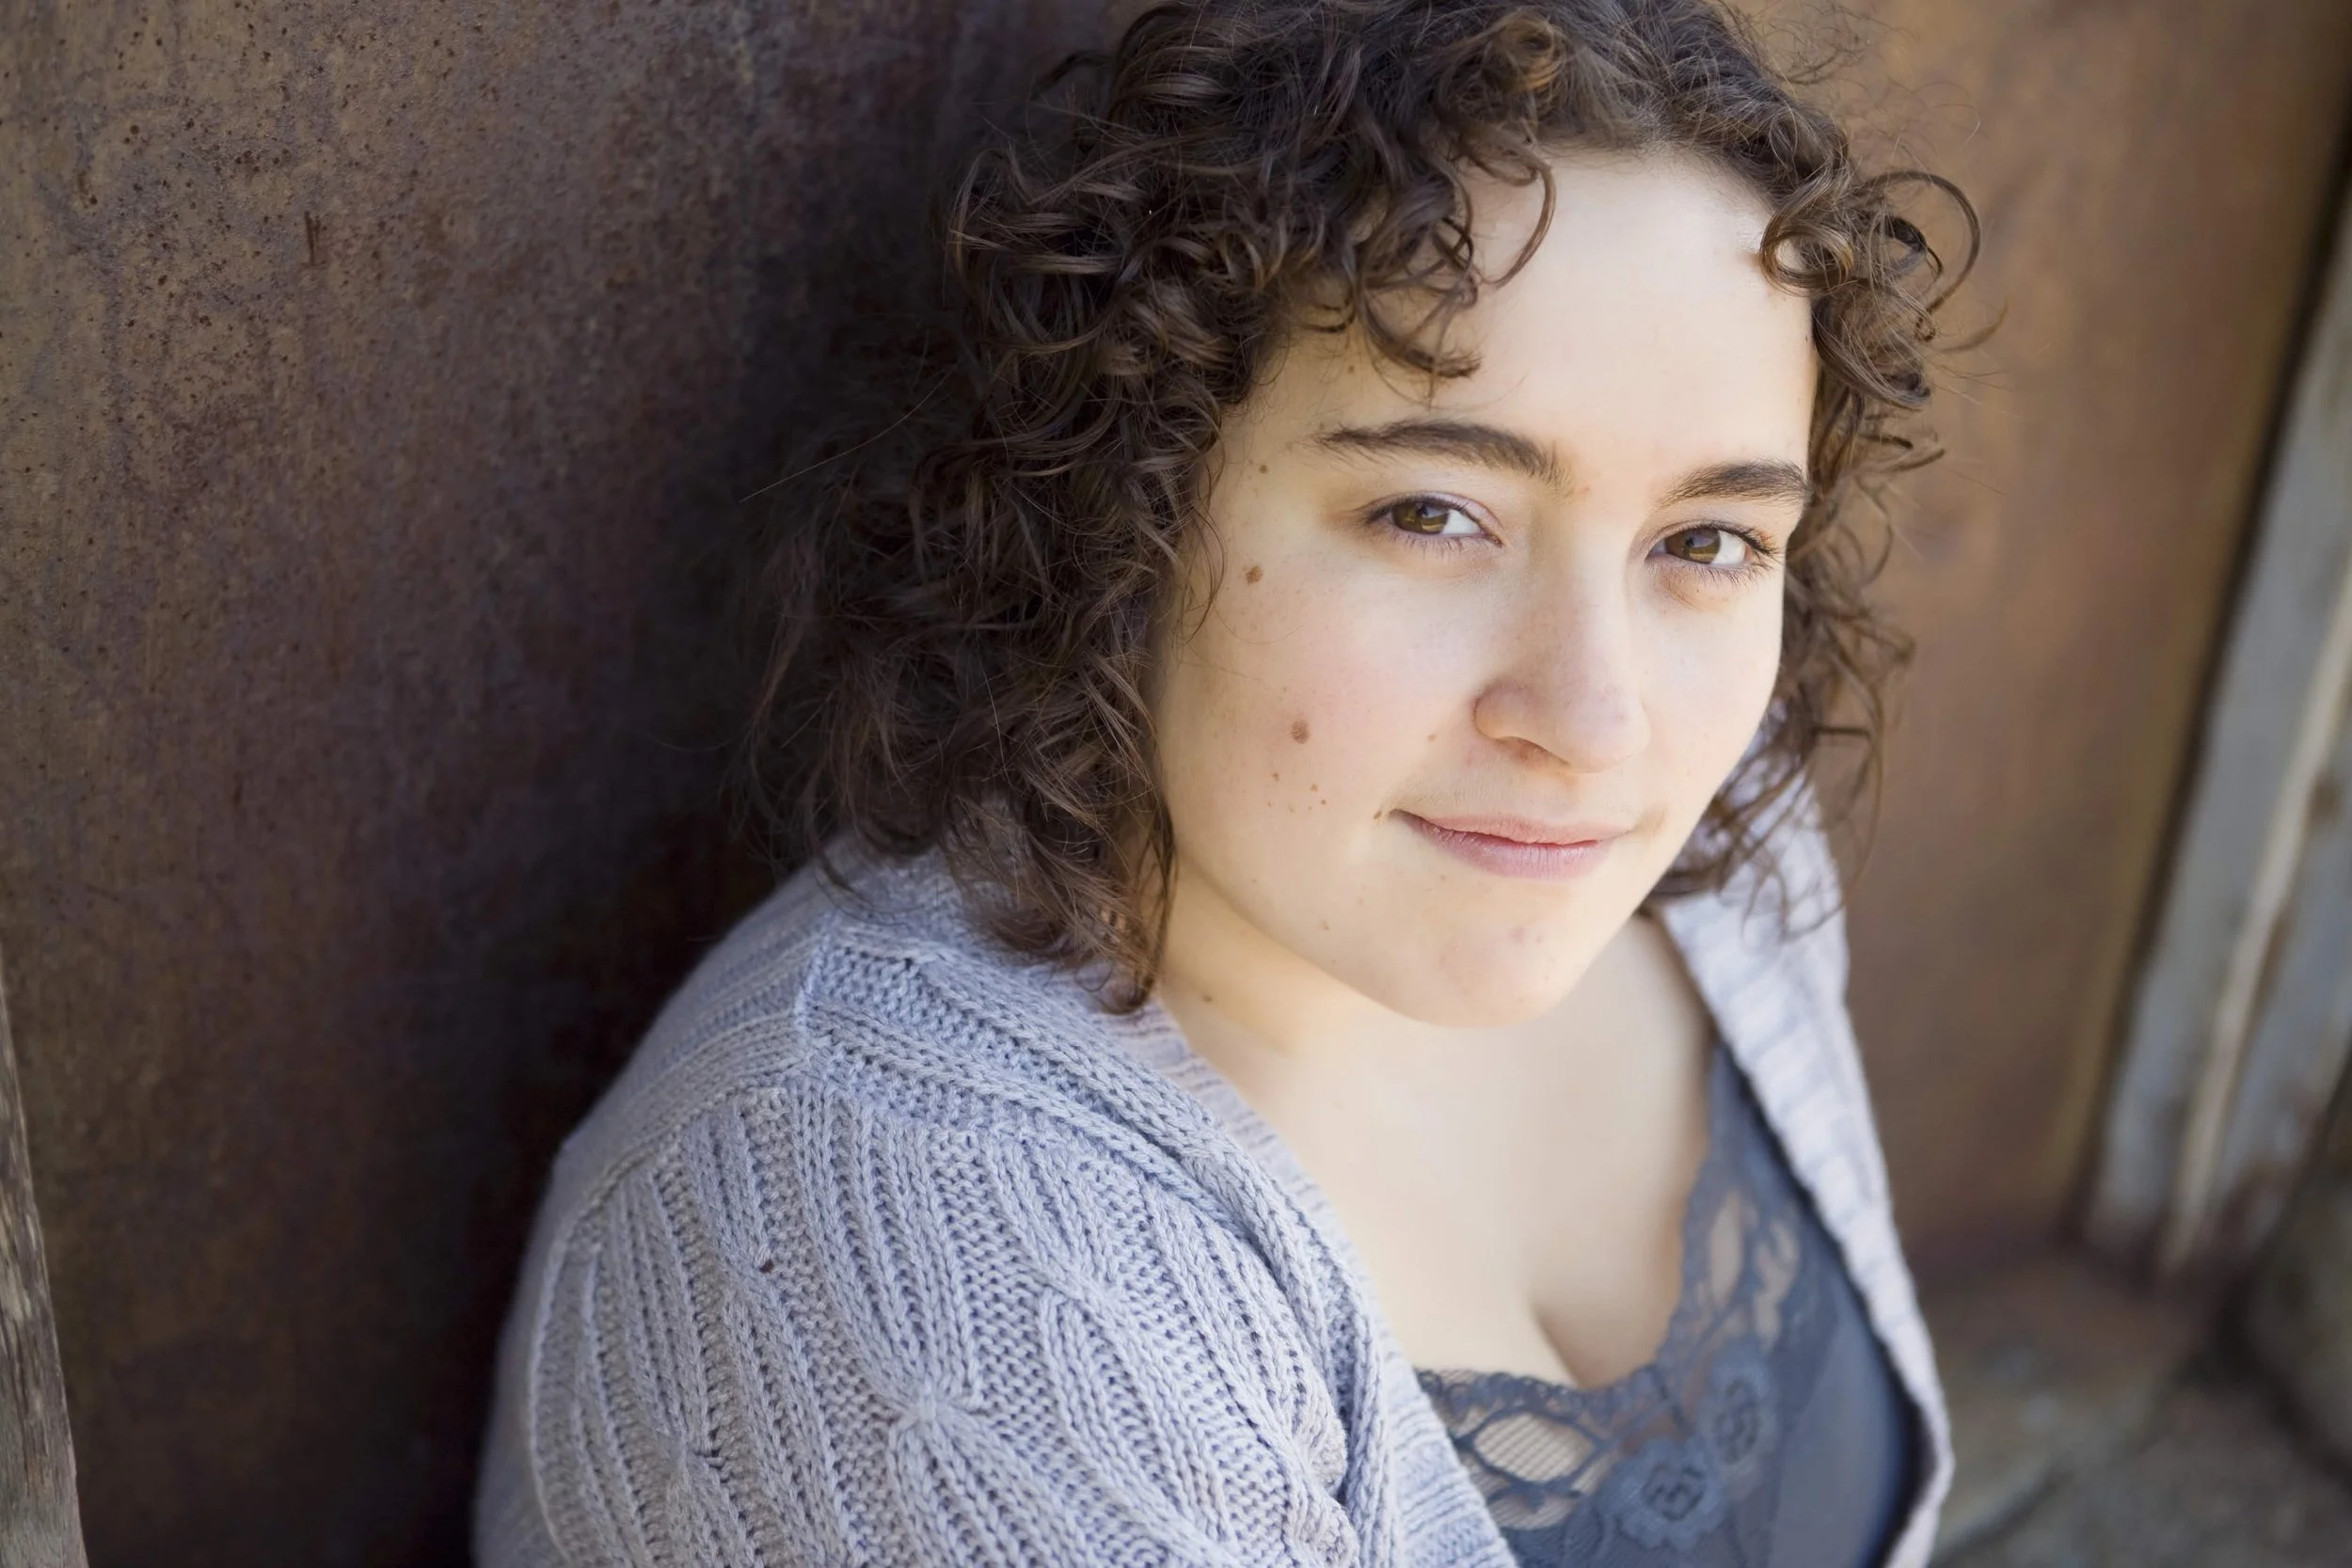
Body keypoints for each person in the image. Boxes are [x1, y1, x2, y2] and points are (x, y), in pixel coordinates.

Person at [475, 1, 1977, 1562]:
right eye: (1432, 514)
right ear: (1139, 500)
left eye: (1708, 541)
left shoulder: (1727, 844)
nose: (1596, 723)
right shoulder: (904, 1227)